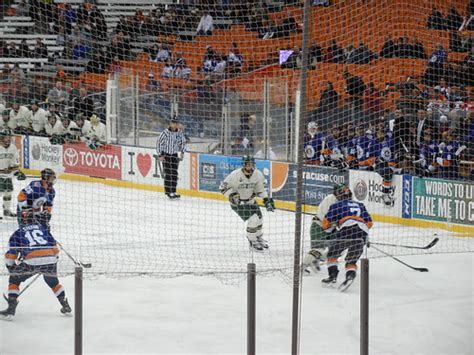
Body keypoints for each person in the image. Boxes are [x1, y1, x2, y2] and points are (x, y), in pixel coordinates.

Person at [0, 209, 71, 320]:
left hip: (32, 261)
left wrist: (11, 267)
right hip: (50, 260)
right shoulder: (43, 229)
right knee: (53, 282)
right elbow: (56, 251)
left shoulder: (18, 232)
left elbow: (11, 255)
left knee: (14, 279)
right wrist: (48, 262)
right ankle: (65, 305)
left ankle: (11, 309)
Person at [321, 184, 373, 291]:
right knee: (351, 261)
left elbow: (325, 225)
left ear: (340, 196)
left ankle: (332, 276)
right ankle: (350, 276)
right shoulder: (361, 205)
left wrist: (334, 225)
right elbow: (370, 223)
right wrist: (364, 236)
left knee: (332, 255)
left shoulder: (336, 205)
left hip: (346, 231)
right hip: (361, 233)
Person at [219, 156, 275, 251]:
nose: (250, 167)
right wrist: (232, 194)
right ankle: (252, 241)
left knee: (260, 219)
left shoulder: (258, 174)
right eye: (248, 165)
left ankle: (257, 237)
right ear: (244, 165)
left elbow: (260, 189)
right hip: (239, 203)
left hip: (251, 201)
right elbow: (222, 188)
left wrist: (266, 199)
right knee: (253, 219)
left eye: (252, 165)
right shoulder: (235, 175)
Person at [302, 184, 339, 273]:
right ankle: (302, 267)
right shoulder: (330, 199)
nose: (344, 194)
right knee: (318, 249)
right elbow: (326, 220)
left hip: (330, 228)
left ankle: (316, 260)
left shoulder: (339, 200)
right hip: (319, 227)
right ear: (335, 192)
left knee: (340, 246)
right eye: (340, 192)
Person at [156, 117, 187, 199]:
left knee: (174, 173)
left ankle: (173, 191)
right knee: (168, 173)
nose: (175, 124)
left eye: (176, 123)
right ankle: (168, 191)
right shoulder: (165, 133)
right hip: (166, 155)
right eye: (173, 123)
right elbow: (159, 143)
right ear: (170, 123)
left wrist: (182, 152)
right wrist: (160, 155)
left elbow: (183, 142)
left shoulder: (179, 133)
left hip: (174, 155)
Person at [0, 129, 26, 219]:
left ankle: (6, 210)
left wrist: (17, 172)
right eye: (7, 137)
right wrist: (2, 171)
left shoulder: (13, 148)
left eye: (10, 137)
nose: (9, 139)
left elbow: (15, 163)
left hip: (7, 176)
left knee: (8, 193)